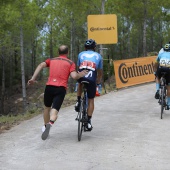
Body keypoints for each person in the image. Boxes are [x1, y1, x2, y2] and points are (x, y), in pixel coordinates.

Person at [27, 45, 88, 140]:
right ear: (67, 53)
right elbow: (74, 76)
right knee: (54, 110)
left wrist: (33, 78)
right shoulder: (70, 62)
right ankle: (51, 122)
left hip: (49, 87)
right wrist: (81, 74)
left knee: (47, 108)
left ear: (58, 52)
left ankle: (45, 126)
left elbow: (40, 65)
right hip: (60, 88)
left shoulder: (51, 60)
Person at [75, 39, 103, 131]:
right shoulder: (98, 56)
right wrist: (98, 82)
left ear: (85, 48)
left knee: (79, 82)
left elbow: (79, 67)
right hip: (91, 78)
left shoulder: (80, 54)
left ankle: (78, 101)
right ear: (94, 47)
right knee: (91, 100)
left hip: (81, 74)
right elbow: (99, 72)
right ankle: (89, 121)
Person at [154, 43, 170, 108]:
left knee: (157, 77)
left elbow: (155, 64)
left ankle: (157, 91)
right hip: (169, 70)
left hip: (161, 69)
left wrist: (155, 72)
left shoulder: (160, 54)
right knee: (169, 87)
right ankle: (168, 104)